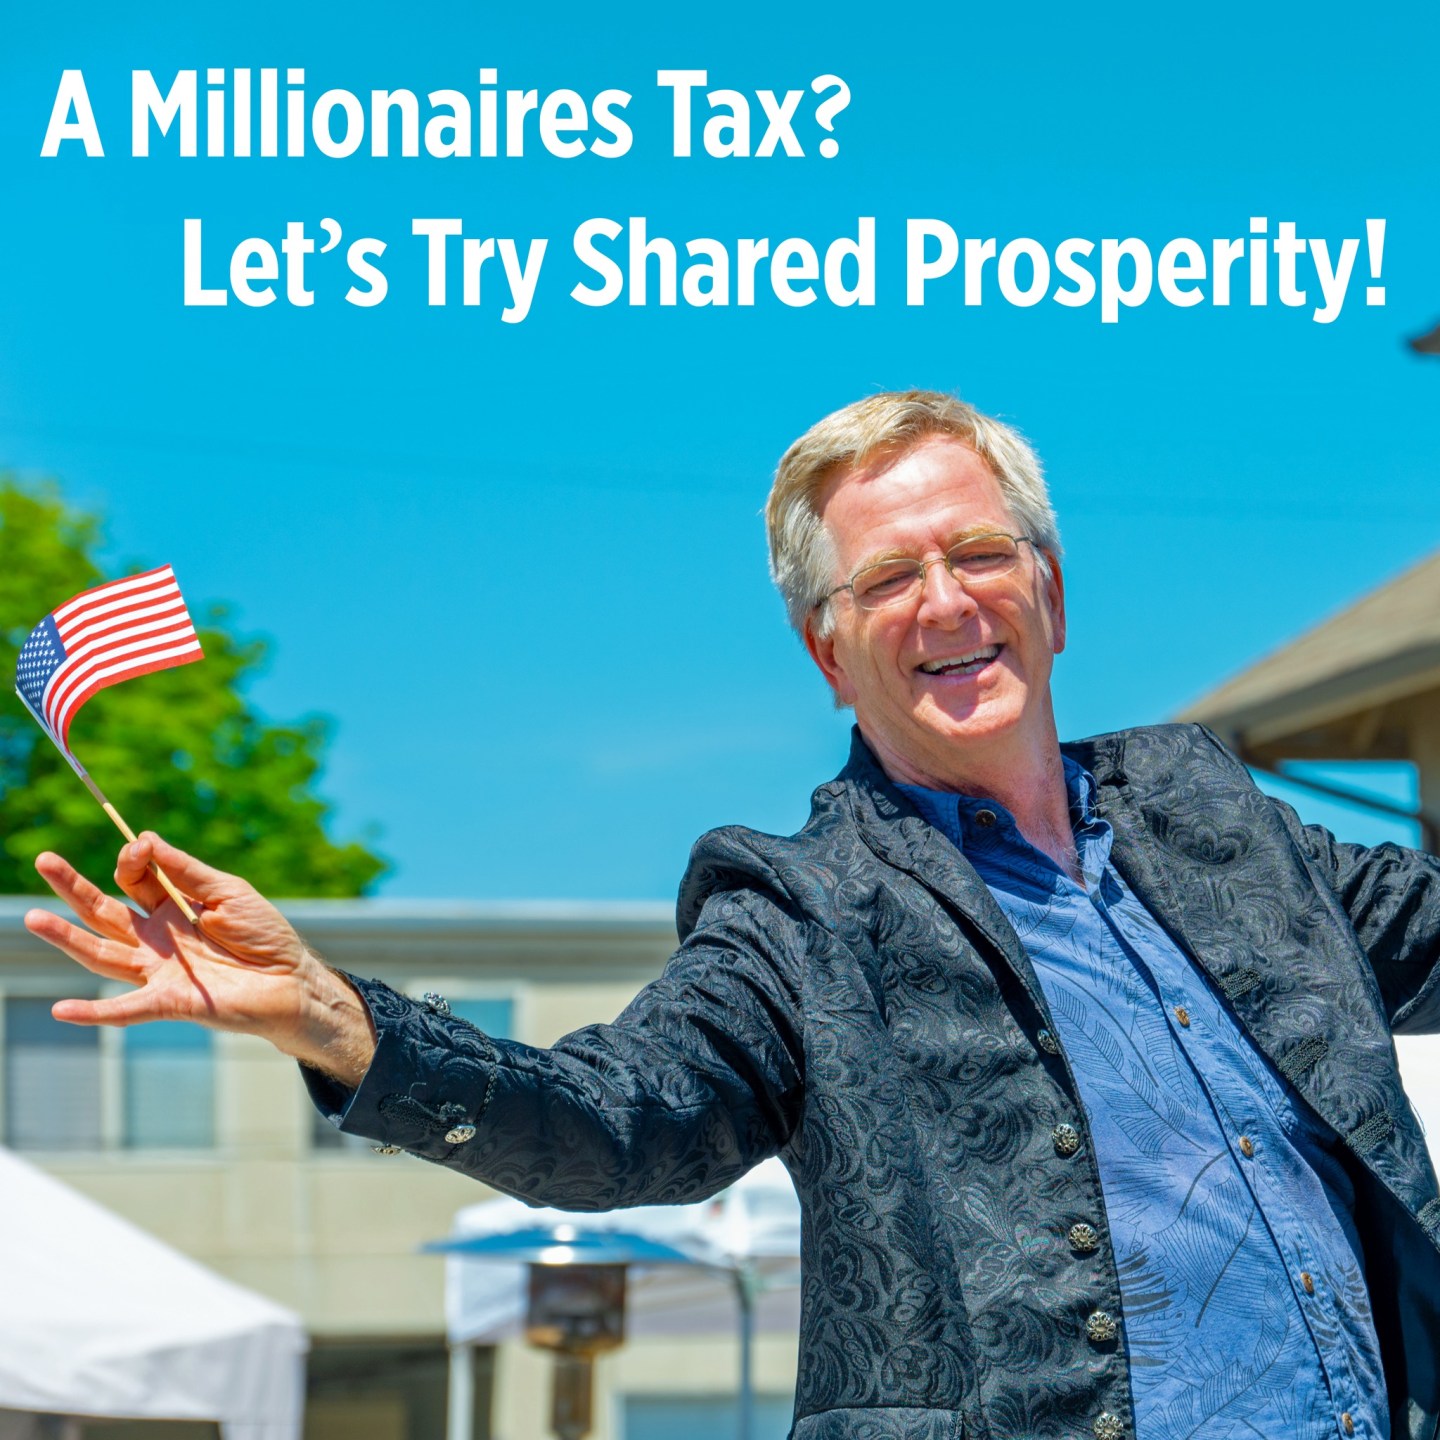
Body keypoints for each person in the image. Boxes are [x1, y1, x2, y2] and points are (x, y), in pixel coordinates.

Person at [24, 391, 1440, 1440]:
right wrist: (336, 1021)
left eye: (979, 554)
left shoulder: (1221, 818)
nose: (946, 600)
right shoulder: (801, 903)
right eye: (886, 579)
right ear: (828, 652)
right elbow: (615, 1116)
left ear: (1051, 593)